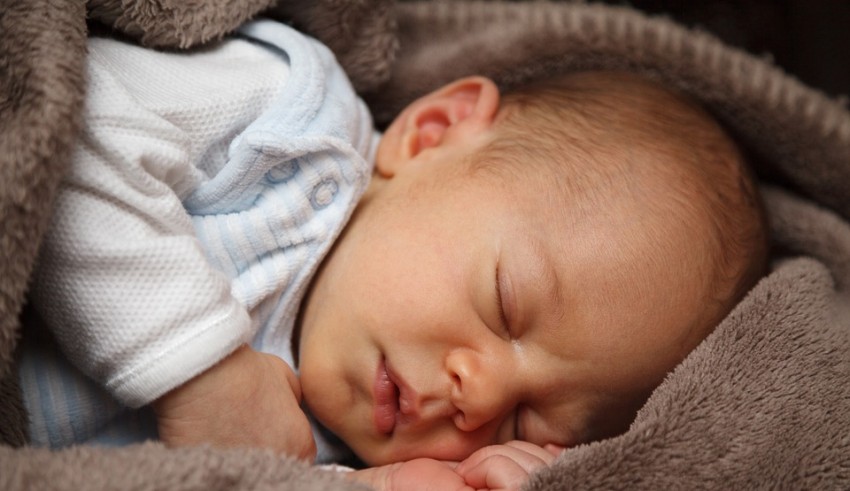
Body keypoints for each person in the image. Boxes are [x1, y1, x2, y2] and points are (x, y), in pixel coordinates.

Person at [20, 17, 768, 490]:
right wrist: (203, 373)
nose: (477, 397)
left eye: (520, 423)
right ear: (433, 132)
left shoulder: (336, 451)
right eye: (505, 305)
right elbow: (75, 122)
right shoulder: (290, 128)